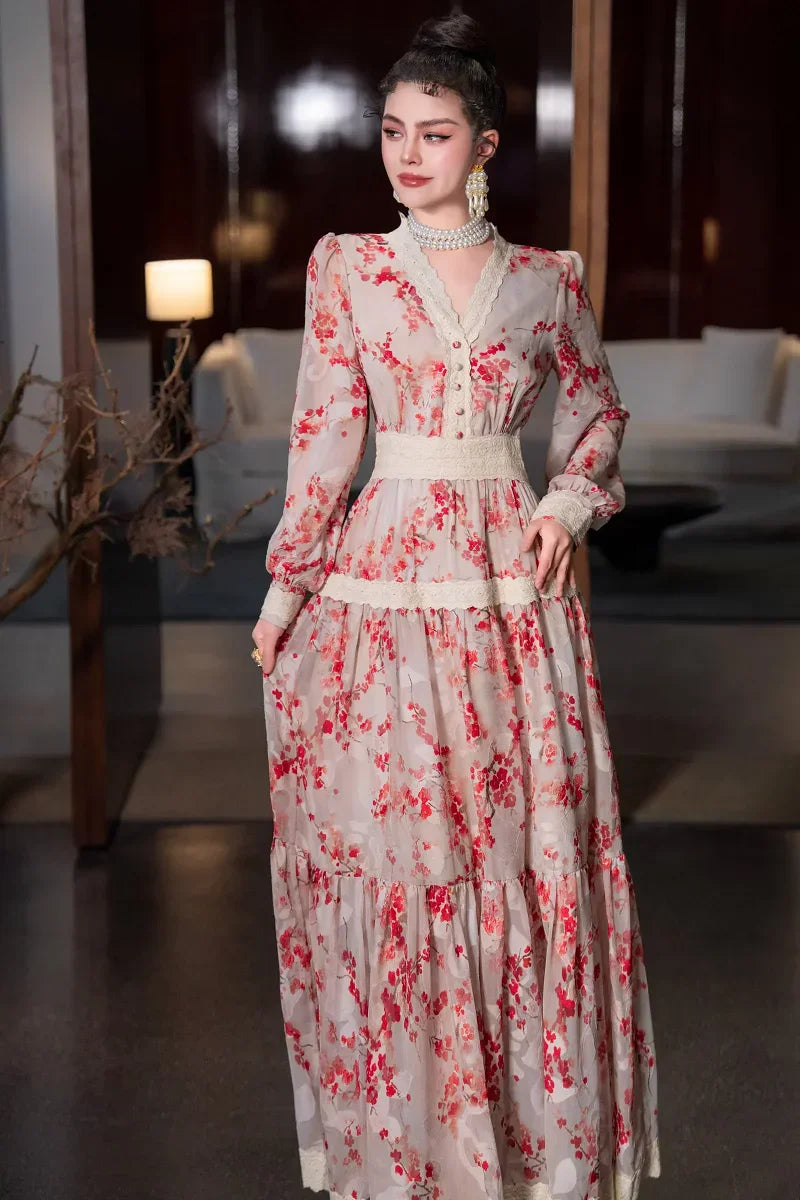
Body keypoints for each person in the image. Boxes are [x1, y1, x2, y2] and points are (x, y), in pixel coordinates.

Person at [251, 12, 661, 1199]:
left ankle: (523, 1152)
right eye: (391, 131)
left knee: (514, 852)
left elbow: (597, 413)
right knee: (398, 851)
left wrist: (568, 503)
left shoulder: (547, 280)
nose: (405, 154)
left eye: (433, 134)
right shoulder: (346, 266)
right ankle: (407, 1150)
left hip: (505, 589)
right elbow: (323, 438)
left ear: (483, 146)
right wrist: (285, 589)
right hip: (378, 587)